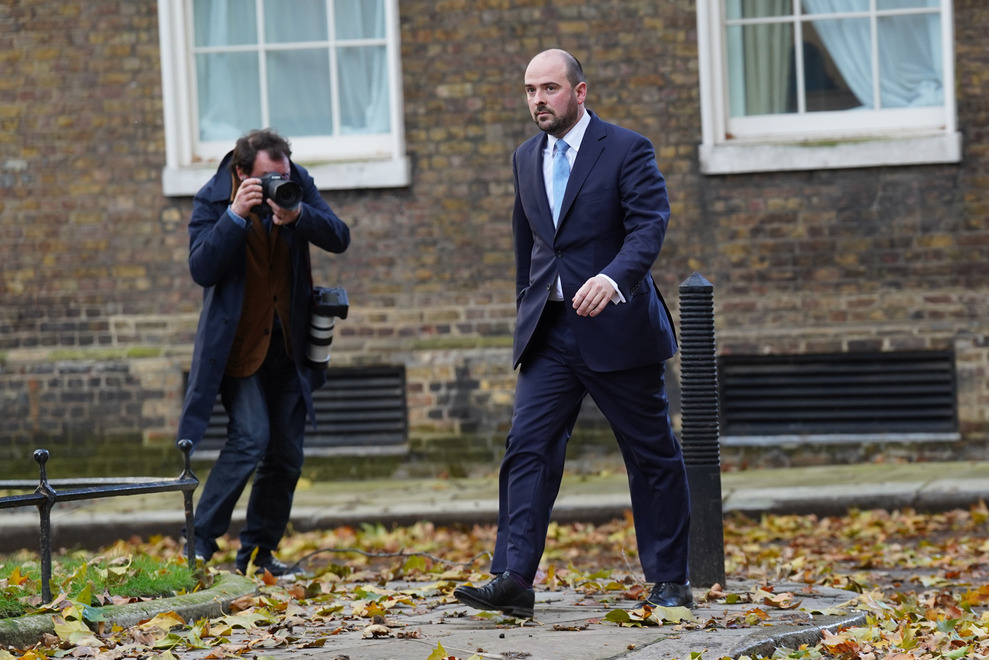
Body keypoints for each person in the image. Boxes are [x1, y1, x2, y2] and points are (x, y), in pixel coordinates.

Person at [454, 50, 692, 617]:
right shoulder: (523, 157)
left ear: (579, 93)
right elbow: (529, 243)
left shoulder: (627, 148)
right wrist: (525, 308)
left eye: (550, 88)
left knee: (650, 454)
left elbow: (648, 225)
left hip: (617, 328)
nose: (539, 99)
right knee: (527, 449)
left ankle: (670, 580)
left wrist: (613, 279)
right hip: (551, 334)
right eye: (531, 90)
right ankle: (513, 578)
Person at [177, 128, 350, 576]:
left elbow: (339, 236)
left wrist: (299, 215)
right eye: (270, 177)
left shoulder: (298, 185)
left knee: (287, 452)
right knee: (251, 437)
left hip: (289, 345)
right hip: (238, 348)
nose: (281, 182)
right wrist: (235, 216)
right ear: (241, 172)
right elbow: (202, 268)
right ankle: (197, 541)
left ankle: (259, 552)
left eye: (284, 174)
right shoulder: (213, 199)